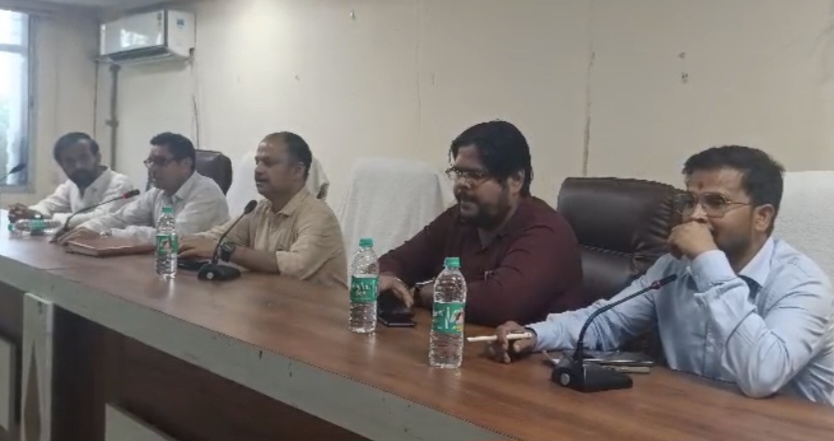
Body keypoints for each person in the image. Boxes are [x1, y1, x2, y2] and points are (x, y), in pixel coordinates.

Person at [492, 146, 834, 404]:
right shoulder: (676, 267)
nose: (696, 216)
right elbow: (606, 322)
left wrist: (708, 261)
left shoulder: (803, 283)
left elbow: (760, 376)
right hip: (692, 419)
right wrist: (534, 334)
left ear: (762, 217)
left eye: (716, 202)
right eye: (690, 200)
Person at [377, 120, 584, 327]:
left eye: (475, 175)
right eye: (458, 173)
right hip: (457, 342)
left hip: (525, 348)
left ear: (515, 180)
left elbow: (501, 303)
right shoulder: (460, 219)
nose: (461, 184)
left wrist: (424, 293)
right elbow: (396, 260)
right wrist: (388, 278)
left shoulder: (547, 233)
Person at [178, 132, 347, 288]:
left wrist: (225, 250)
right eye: (257, 162)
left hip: (318, 307)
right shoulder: (259, 209)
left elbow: (296, 265)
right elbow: (215, 238)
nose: (258, 170)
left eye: (268, 163)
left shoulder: (318, 215)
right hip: (273, 301)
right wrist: (174, 241)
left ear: (297, 171)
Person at [58, 132, 229, 244]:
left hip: (203, 274)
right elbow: (120, 219)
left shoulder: (206, 193)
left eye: (160, 162)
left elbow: (172, 237)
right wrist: (86, 229)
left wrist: (106, 234)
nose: (152, 169)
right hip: (165, 265)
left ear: (185, 164)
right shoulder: (158, 193)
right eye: (150, 162)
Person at [8, 132, 134, 228]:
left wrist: (45, 218)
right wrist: (28, 213)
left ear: (97, 157)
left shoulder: (119, 184)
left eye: (83, 158)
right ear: (61, 165)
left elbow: (101, 220)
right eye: (69, 161)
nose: (78, 166)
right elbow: (48, 205)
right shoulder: (72, 184)